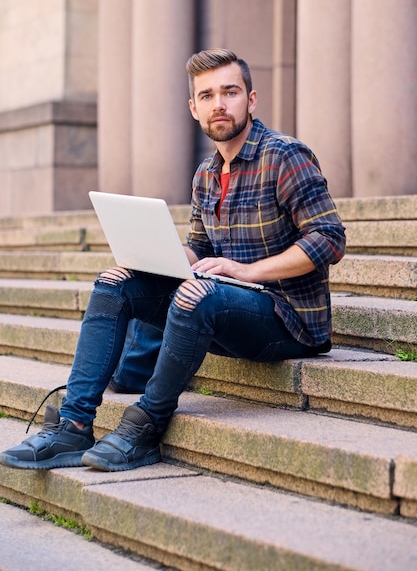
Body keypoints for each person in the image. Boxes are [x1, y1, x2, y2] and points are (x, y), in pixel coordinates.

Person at [0, 48, 346, 472]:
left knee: (197, 295)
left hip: (287, 318)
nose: (218, 104)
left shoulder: (285, 156)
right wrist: (150, 255)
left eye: (230, 92)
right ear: (194, 107)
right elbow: (198, 249)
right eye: (207, 96)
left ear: (250, 100)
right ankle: (72, 427)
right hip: (225, 305)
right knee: (115, 282)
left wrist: (247, 271)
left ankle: (144, 430)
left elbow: (329, 238)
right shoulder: (206, 173)